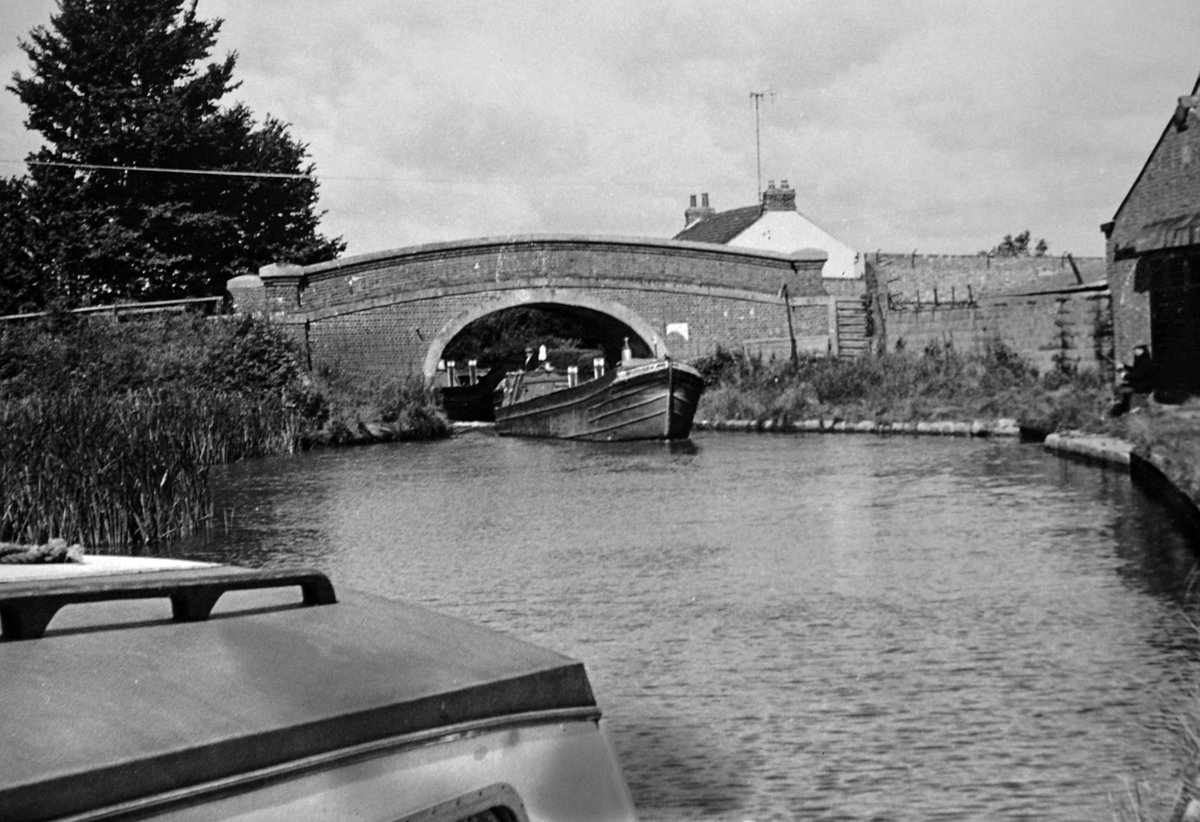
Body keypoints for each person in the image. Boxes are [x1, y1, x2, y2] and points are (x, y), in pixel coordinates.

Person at [1110, 345, 1154, 416]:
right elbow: (1134, 370)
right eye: (1135, 349)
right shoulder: (1139, 359)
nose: (1135, 351)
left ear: (1142, 350)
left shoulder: (1146, 361)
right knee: (1119, 388)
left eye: (1137, 349)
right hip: (1138, 383)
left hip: (1144, 385)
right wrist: (1124, 366)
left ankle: (1124, 408)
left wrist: (1124, 375)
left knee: (1122, 390)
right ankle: (1122, 407)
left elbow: (1136, 376)